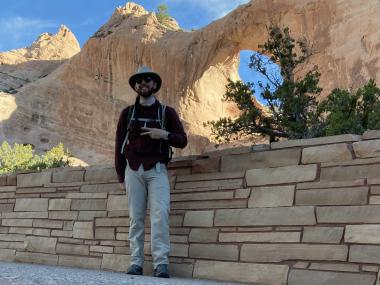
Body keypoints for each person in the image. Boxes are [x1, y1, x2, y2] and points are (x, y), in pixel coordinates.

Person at [115, 66, 187, 278]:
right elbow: (119, 146)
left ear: (155, 84)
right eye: (138, 81)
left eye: (147, 80)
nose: (143, 83)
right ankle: (136, 263)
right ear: (135, 86)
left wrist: (163, 134)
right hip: (133, 170)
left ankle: (161, 264)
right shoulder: (127, 113)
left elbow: (182, 140)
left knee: (159, 216)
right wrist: (121, 175)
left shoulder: (167, 112)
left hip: (157, 169)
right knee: (135, 218)